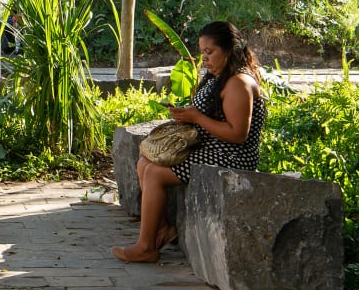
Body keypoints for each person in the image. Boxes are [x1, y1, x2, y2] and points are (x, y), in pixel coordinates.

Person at [113, 20, 267, 265]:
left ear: (230, 50)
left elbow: (238, 134)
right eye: (202, 52)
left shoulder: (239, 83)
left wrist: (196, 117)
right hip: (211, 148)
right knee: (145, 162)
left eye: (210, 52)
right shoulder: (218, 76)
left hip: (232, 155)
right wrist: (188, 115)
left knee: (154, 173)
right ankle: (161, 229)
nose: (204, 58)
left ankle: (146, 247)